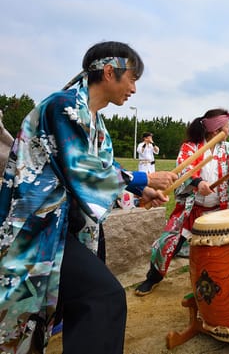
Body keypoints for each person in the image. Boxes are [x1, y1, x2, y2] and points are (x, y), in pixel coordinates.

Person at [0, 41, 177, 354]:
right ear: (110, 72)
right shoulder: (61, 106)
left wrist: (141, 190)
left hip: (65, 228)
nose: (134, 88)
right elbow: (81, 168)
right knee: (101, 297)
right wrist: (143, 178)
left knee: (81, 303)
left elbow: (105, 166)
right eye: (132, 78)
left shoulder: (95, 121)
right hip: (34, 231)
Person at [135, 109, 229, 296]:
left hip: (220, 210)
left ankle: (227, 280)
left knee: (227, 248)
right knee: (167, 243)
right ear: (216, 130)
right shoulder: (190, 147)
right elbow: (185, 168)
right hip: (191, 208)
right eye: (227, 126)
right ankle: (153, 277)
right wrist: (198, 183)